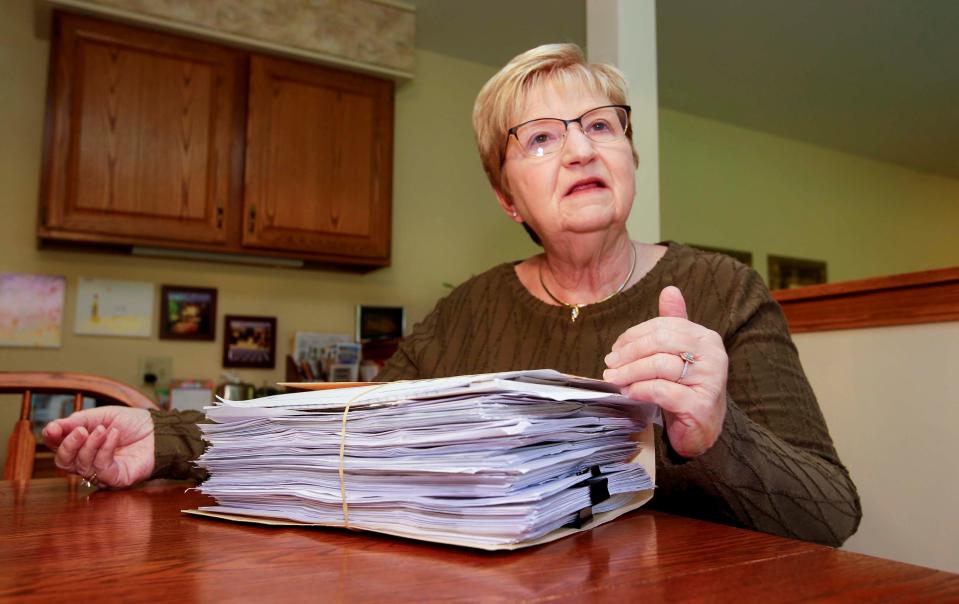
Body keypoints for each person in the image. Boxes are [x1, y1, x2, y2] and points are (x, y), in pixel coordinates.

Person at [42, 44, 861, 547]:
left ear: (629, 156)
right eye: (539, 138)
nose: (578, 145)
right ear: (508, 200)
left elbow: (832, 516)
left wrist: (718, 431)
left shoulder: (724, 290)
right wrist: (163, 439)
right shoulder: (467, 309)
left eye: (600, 124)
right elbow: (349, 428)